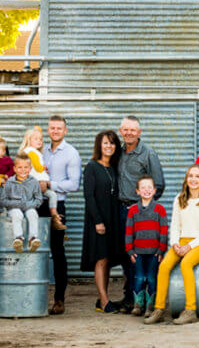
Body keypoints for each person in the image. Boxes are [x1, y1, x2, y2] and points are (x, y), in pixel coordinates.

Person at [145, 164, 199, 326]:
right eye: (190, 176)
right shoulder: (179, 199)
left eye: (197, 176)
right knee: (164, 266)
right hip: (182, 241)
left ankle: (190, 310)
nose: (193, 179)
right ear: (186, 179)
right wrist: (175, 243)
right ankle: (159, 309)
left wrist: (189, 246)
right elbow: (175, 226)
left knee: (186, 264)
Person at [115, 115, 166, 312]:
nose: (128, 133)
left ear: (139, 132)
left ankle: (148, 301)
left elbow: (159, 185)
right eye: (125, 129)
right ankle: (131, 298)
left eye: (132, 130)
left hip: (140, 214)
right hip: (122, 211)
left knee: (146, 257)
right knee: (128, 255)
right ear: (121, 131)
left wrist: (142, 207)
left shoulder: (148, 154)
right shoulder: (118, 153)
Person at [80, 130, 126, 314]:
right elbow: (88, 196)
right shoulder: (92, 167)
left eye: (113, 143)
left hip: (112, 218)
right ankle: (105, 301)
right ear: (99, 145)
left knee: (107, 260)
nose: (109, 146)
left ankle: (102, 299)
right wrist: (98, 221)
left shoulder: (114, 167)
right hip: (97, 220)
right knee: (100, 259)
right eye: (106, 143)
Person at [41, 115, 82, 315]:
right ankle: (35, 296)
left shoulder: (71, 153)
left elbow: (74, 184)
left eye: (59, 128)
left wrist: (50, 185)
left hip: (59, 205)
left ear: (65, 131)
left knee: (57, 252)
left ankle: (59, 299)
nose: (55, 131)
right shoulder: (41, 150)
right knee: (35, 249)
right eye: (52, 128)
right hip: (37, 205)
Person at [125, 175, 168, 316]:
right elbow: (129, 231)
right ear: (137, 191)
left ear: (154, 190)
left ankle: (150, 306)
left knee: (151, 278)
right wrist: (130, 251)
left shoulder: (159, 210)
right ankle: (138, 304)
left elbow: (163, 230)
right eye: (143, 187)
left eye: (149, 187)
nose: (146, 190)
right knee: (138, 278)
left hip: (154, 253)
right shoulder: (133, 210)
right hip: (138, 252)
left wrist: (161, 250)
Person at [18, 126, 65, 230]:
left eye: (41, 139)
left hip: (37, 184)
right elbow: (38, 168)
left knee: (52, 195)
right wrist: (43, 168)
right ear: (28, 140)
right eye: (36, 139)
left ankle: (54, 218)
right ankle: (54, 217)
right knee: (50, 196)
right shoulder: (31, 151)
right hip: (34, 183)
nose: (39, 141)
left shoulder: (32, 152)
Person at [0, 153, 43, 253]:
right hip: (14, 208)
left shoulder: (34, 182)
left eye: (26, 167)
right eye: (19, 167)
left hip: (29, 207)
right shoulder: (10, 182)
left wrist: (29, 205)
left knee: (33, 214)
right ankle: (18, 238)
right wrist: (15, 204)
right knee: (17, 214)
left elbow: (39, 199)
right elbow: (3, 200)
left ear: (30, 168)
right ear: (14, 169)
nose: (23, 170)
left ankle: (32, 239)